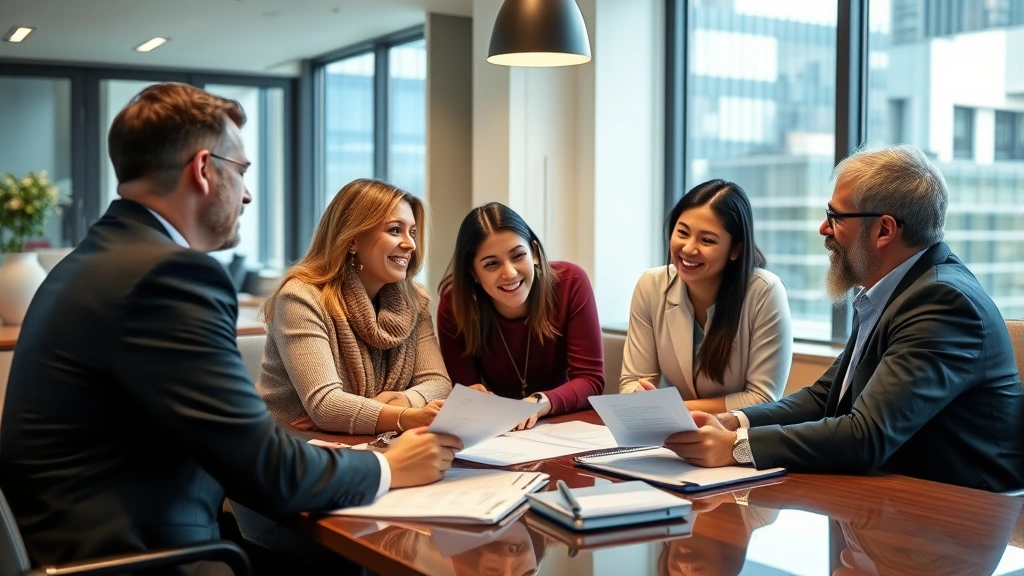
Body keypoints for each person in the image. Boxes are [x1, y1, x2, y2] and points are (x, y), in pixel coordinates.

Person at [0, 83, 461, 573]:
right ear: (203, 170)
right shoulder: (169, 276)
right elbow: (265, 467)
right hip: (139, 557)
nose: (246, 194)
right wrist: (389, 466)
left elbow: (239, 441)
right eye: (241, 171)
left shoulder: (87, 262)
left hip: (80, 543)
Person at [665, 145, 1024, 492]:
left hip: (961, 516)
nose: (824, 228)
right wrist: (734, 423)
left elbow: (866, 436)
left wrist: (735, 447)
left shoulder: (942, 302)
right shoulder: (892, 290)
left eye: (835, 216)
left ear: (884, 230)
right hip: (897, 498)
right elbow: (825, 398)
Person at [258, 179, 452, 435]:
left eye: (412, 232)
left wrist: (400, 403)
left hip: (370, 442)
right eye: (395, 230)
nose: (410, 244)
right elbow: (327, 406)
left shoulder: (414, 299)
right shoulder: (300, 297)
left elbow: (438, 382)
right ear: (352, 239)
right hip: (297, 449)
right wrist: (406, 417)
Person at [620, 180, 793, 413]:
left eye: (707, 240)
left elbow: (761, 398)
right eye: (682, 232)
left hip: (737, 436)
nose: (688, 248)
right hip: (671, 433)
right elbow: (633, 382)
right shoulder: (651, 285)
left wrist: (674, 409)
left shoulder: (765, 292)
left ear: (735, 250)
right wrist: (641, 397)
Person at [437, 202, 604, 430]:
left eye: (518, 255)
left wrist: (538, 403)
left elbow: (591, 381)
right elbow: (466, 389)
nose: (510, 273)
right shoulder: (456, 305)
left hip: (562, 423)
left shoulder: (571, 283)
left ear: (534, 253)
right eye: (491, 264)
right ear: (473, 273)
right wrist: (472, 396)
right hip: (499, 430)